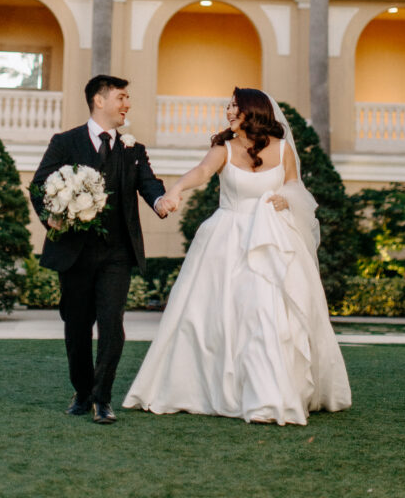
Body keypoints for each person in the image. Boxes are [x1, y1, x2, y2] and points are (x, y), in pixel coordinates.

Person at [124, 88, 352, 425]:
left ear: (253, 111)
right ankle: (204, 388)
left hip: (273, 243)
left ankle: (269, 397)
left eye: (235, 105)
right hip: (227, 241)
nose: (228, 110)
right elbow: (201, 173)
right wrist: (175, 190)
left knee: (268, 316)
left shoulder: (284, 148)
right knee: (214, 318)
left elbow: (296, 187)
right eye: (229, 105)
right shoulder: (223, 148)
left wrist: (286, 199)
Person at [30, 74, 167, 425]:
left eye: (127, 98)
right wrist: (54, 219)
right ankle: (82, 390)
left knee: (112, 323)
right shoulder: (65, 142)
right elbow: (39, 186)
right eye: (121, 97)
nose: (127, 104)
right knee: (76, 326)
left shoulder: (133, 148)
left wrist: (160, 201)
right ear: (100, 100)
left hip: (117, 253)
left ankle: (102, 398)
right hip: (75, 251)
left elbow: (148, 183)